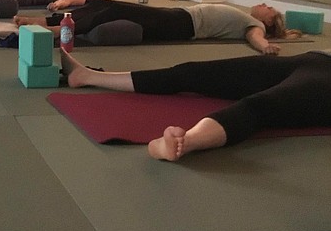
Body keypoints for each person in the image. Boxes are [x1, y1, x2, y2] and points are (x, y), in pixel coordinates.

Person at [58, 47, 331, 161]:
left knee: (259, 106)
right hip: (310, 58)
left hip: (324, 79)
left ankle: (184, 142)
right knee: (190, 72)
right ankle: (86, 76)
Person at [14, 0, 300, 55]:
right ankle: (49, 22)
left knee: (111, 10)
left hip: (180, 25)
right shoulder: (247, 15)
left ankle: (57, 31)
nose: (264, 5)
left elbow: (256, 38)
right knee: (106, 4)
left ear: (267, 21)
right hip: (176, 14)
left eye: (269, 8)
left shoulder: (253, 24)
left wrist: (266, 47)